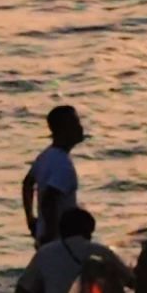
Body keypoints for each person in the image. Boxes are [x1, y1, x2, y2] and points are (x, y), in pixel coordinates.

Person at [16, 206, 132, 293]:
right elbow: (132, 283)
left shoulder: (45, 252)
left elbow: (23, 292)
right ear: (88, 231)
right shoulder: (100, 252)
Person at [22, 104, 84, 245]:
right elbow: (49, 199)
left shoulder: (46, 155)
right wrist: (51, 233)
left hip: (45, 236)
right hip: (59, 241)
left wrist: (31, 219)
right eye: (75, 123)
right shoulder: (63, 165)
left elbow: (27, 184)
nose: (80, 128)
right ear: (63, 130)